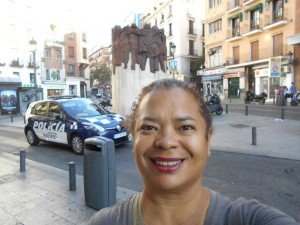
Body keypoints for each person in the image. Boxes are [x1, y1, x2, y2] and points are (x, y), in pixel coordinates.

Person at [88, 79, 298, 225]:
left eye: (186, 127)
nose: (166, 142)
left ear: (208, 141)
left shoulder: (246, 219)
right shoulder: (105, 222)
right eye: (149, 127)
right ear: (134, 143)